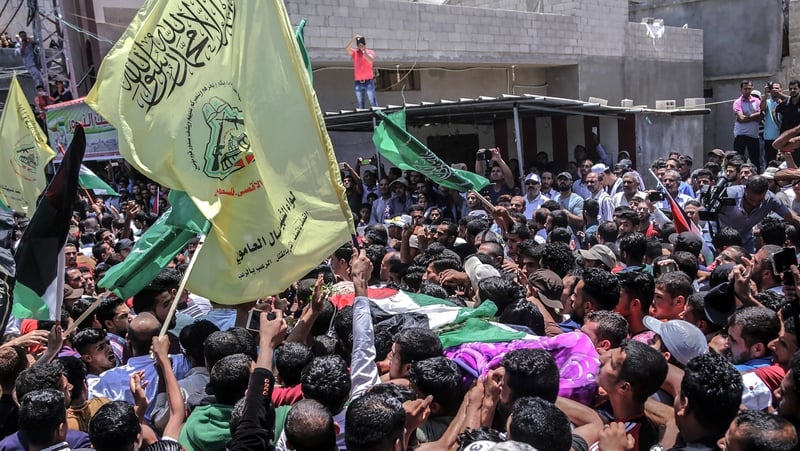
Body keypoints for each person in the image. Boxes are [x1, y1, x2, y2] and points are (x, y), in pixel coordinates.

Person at [716, 175, 800, 253]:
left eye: (759, 201)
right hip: (718, 238)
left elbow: (790, 216)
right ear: (745, 189)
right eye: (750, 200)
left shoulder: (771, 199)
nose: (754, 204)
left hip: (745, 241)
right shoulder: (728, 194)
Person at [732, 80, 762, 171]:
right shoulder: (737, 102)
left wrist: (747, 117)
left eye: (749, 88)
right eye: (745, 89)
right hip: (741, 134)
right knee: (738, 160)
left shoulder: (757, 101)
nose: (747, 91)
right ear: (741, 90)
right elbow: (741, 118)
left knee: (755, 161)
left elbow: (761, 116)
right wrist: (754, 116)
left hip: (753, 135)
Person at [345, 34, 378, 109]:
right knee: (360, 104)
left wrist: (364, 51)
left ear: (365, 44)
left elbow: (370, 60)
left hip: (369, 81)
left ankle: (376, 115)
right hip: (358, 82)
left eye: (362, 44)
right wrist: (354, 39)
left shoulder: (370, 52)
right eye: (359, 45)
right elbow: (347, 49)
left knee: (373, 102)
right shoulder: (355, 53)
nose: (360, 46)